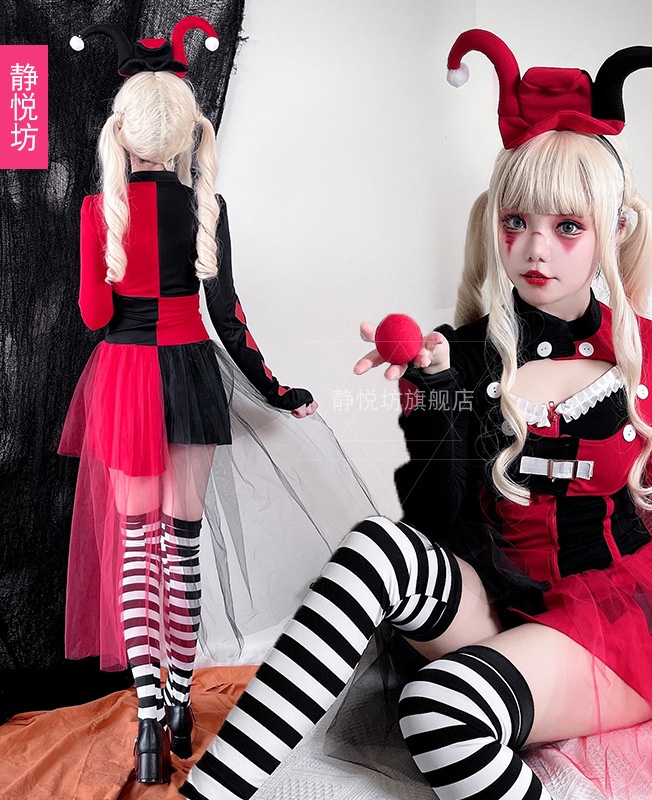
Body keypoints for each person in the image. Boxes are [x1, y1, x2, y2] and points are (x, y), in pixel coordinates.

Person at [180, 30, 652, 800]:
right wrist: (430, 391)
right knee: (376, 545)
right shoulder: (466, 352)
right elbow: (436, 521)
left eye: (567, 227)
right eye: (517, 223)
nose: (536, 249)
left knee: (436, 708)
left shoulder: (646, 350)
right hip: (505, 604)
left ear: (613, 230)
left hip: (616, 625)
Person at [60, 19, 320, 784]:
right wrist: (279, 391)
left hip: (124, 379)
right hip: (191, 376)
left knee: (135, 552)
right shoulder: (208, 208)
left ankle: (147, 721)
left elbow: (94, 317)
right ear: (183, 136)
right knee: (181, 547)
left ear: (123, 133)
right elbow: (228, 319)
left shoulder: (97, 211)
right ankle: (178, 702)